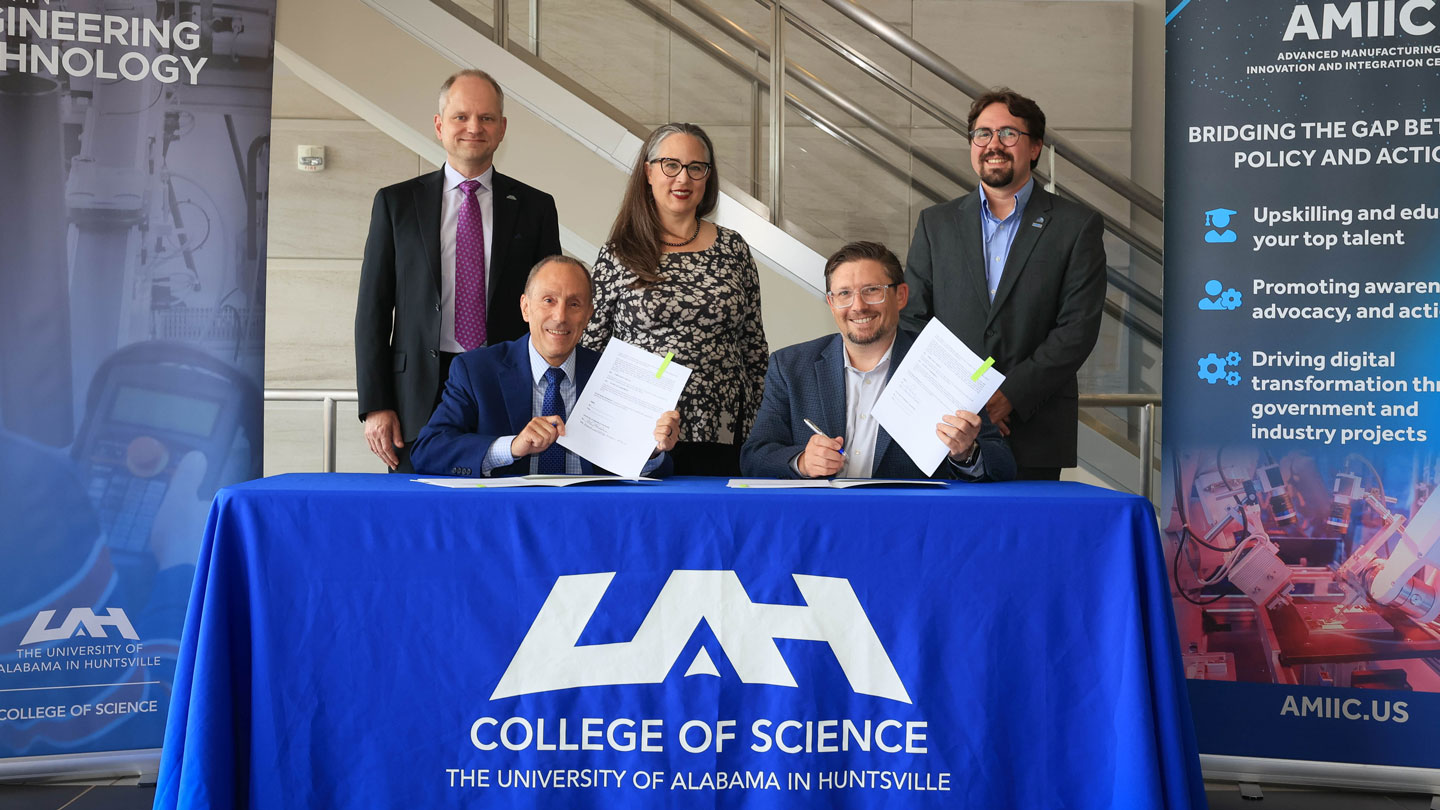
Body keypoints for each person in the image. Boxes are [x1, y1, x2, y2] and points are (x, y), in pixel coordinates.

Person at [355, 69, 562, 472]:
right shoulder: (395, 204)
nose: (474, 127)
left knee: (503, 508)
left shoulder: (536, 208)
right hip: (415, 395)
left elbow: (547, 309)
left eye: (486, 118)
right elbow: (373, 312)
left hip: (504, 384)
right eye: (461, 117)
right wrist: (376, 405)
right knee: (417, 519)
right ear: (439, 126)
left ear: (502, 129)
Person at [900, 88, 1105, 481]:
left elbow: (1077, 331)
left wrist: (1007, 398)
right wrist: (962, 402)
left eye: (1009, 134)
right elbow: (913, 321)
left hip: (1034, 425)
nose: (994, 144)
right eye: (982, 134)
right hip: (948, 426)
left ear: (1035, 148)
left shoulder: (1076, 226)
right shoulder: (935, 223)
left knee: (1028, 541)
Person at [741, 241, 1015, 481]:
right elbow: (754, 457)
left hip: (910, 525)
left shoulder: (945, 366)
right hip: (821, 524)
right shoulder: (789, 366)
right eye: (844, 294)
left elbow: (1002, 465)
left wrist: (966, 452)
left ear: (901, 296)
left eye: (872, 290)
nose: (858, 306)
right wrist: (801, 462)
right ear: (830, 303)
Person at [582, 123, 767, 476]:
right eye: (671, 165)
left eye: (696, 168)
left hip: (725, 431)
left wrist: (762, 432)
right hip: (640, 433)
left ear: (708, 178)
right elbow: (591, 349)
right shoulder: (619, 252)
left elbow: (754, 350)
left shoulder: (734, 249)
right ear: (648, 172)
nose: (683, 179)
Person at [412, 256, 679, 477]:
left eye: (574, 304)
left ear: (589, 315)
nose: (560, 317)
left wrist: (653, 449)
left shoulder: (614, 376)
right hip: (508, 519)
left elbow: (655, 471)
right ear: (525, 308)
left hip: (592, 520)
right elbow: (429, 450)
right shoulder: (476, 371)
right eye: (548, 300)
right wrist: (512, 447)